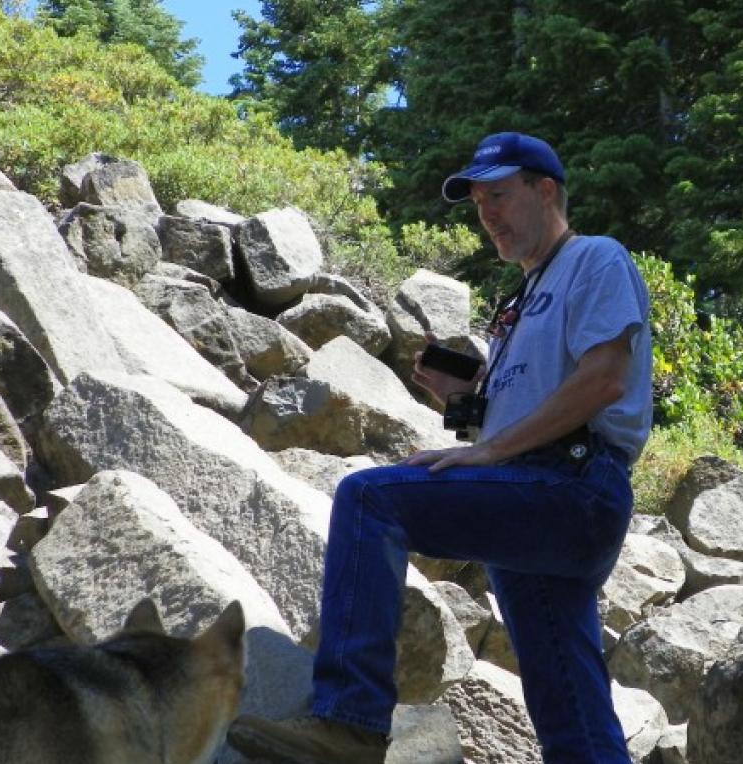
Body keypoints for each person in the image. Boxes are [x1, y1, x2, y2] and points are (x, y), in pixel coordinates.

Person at [229, 132, 653, 764]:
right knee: (570, 704)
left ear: (545, 191)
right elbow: (518, 413)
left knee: (371, 499)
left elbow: (605, 378)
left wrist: (486, 453)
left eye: (500, 196)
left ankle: (350, 723)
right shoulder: (520, 299)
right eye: (479, 202)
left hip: (575, 485)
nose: (487, 214)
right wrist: (465, 399)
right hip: (540, 499)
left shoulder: (595, 259)